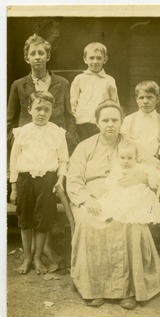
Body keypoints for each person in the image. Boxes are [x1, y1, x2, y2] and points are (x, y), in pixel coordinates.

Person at [66, 99, 160, 310]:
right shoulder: (84, 147)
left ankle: (129, 290)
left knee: (131, 223)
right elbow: (74, 179)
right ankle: (94, 288)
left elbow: (158, 170)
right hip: (92, 197)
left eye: (115, 119)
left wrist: (140, 177)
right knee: (88, 221)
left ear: (121, 122)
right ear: (97, 122)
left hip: (124, 197)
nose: (110, 124)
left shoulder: (132, 145)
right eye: (105, 120)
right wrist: (87, 199)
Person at [7, 34, 78, 268]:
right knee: (28, 211)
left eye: (41, 53)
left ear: (48, 56)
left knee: (46, 207)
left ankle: (45, 249)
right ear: (26, 58)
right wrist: (14, 150)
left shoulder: (62, 83)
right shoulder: (19, 85)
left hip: (53, 151)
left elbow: (68, 116)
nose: (37, 57)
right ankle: (34, 254)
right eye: (33, 53)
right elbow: (10, 121)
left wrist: (68, 144)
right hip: (28, 153)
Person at [9, 91, 69, 275]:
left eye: (46, 110)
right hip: (25, 180)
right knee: (25, 219)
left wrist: (60, 179)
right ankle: (27, 257)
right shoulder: (23, 132)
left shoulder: (57, 132)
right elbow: (14, 159)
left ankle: (37, 258)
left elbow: (63, 160)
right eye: (38, 109)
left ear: (52, 111)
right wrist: (13, 187)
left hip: (47, 181)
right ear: (30, 110)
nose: (42, 113)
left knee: (43, 219)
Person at [95, 138, 160, 224]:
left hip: (138, 193)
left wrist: (150, 179)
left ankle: (138, 217)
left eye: (129, 158)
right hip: (120, 192)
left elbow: (154, 173)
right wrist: (110, 187)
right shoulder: (117, 168)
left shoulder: (139, 167)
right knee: (111, 202)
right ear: (117, 157)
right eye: (122, 158)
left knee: (137, 205)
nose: (126, 161)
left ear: (135, 158)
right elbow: (110, 180)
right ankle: (112, 215)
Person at [70, 42, 119, 142]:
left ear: (105, 59)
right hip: (82, 123)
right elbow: (73, 102)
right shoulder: (79, 79)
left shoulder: (109, 80)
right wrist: (73, 121)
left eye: (99, 58)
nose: (95, 61)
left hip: (101, 124)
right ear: (85, 59)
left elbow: (114, 103)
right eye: (91, 58)